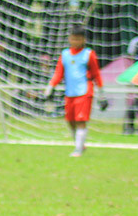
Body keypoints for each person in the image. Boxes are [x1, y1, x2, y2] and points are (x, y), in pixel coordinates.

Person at [43, 24, 105, 157]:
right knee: (70, 121)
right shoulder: (65, 54)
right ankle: (80, 144)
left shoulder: (88, 54)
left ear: (84, 40)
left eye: (78, 39)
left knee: (80, 120)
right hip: (70, 92)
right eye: (73, 38)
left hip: (84, 92)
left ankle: (78, 149)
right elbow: (58, 73)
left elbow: (96, 74)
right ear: (69, 39)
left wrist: (102, 95)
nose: (75, 41)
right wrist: (50, 88)